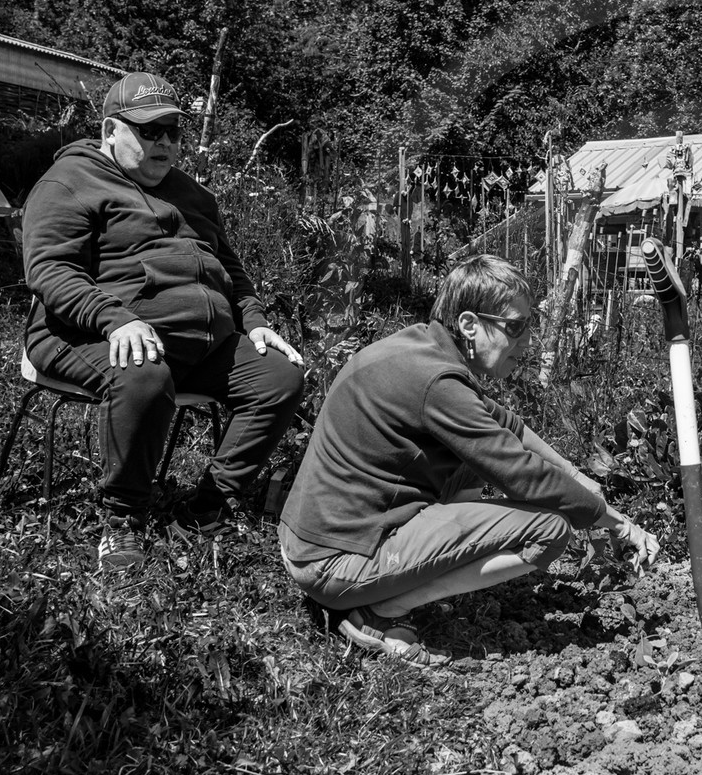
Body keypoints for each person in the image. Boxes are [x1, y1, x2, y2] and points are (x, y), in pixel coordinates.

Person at [278, 254, 661, 667]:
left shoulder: (422, 350)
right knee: (549, 530)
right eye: (515, 327)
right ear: (468, 324)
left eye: (528, 327)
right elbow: (523, 476)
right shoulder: (437, 383)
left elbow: (506, 425)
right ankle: (378, 612)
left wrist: (575, 475)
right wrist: (617, 523)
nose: (527, 342)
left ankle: (396, 582)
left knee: (470, 457)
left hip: (312, 540)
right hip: (333, 564)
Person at [22, 72, 305, 569]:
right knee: (143, 373)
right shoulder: (69, 182)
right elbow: (49, 269)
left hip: (200, 344)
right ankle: (122, 519)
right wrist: (115, 319)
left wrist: (254, 320)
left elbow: (230, 268)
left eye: (174, 131)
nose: (168, 143)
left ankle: (204, 509)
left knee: (279, 377)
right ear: (111, 130)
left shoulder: (193, 195)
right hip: (84, 333)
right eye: (151, 131)